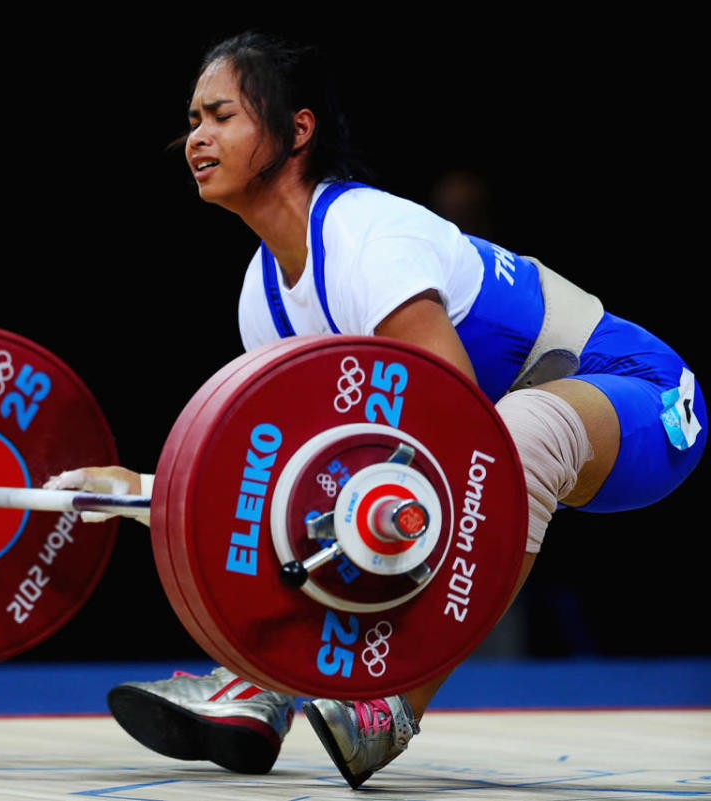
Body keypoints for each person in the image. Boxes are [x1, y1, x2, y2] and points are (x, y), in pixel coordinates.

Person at [46, 32, 706, 789]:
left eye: (221, 114)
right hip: (514, 426)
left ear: (297, 129)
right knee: (314, 490)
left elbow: (463, 437)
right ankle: (258, 685)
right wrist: (140, 489)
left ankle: (389, 708)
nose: (196, 136)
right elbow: (271, 475)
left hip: (643, 398)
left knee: (507, 438)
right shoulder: (264, 296)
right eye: (193, 119)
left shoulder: (367, 238)